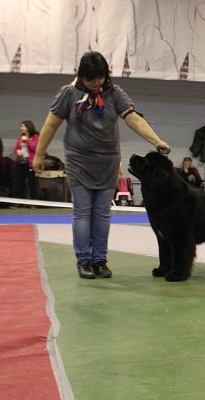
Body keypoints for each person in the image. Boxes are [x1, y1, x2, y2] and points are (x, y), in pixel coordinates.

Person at [33, 51, 171, 280]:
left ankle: (100, 260)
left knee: (102, 214)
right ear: (82, 76)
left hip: (107, 162)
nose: (97, 83)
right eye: (91, 79)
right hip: (79, 160)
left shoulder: (114, 93)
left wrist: (156, 140)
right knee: (83, 212)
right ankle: (84, 260)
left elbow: (133, 118)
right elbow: (50, 125)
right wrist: (38, 155)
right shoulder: (68, 93)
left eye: (101, 77)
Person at [11, 120, 39, 200]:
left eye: (23, 126)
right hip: (20, 162)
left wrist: (26, 140)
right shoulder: (20, 137)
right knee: (20, 182)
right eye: (21, 126)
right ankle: (20, 201)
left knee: (31, 183)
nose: (21, 128)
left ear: (28, 127)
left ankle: (33, 202)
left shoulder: (35, 137)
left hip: (30, 163)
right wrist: (17, 151)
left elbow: (35, 148)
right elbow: (16, 148)